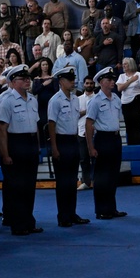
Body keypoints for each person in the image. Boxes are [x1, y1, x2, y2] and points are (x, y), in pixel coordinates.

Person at [0, 64, 43, 235]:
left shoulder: (32, 99)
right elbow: (1, 129)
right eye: (23, 79)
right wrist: (5, 154)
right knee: (17, 187)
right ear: (13, 82)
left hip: (30, 143)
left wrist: (38, 146)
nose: (27, 81)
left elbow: (36, 125)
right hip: (16, 143)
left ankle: (29, 221)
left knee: (29, 186)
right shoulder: (7, 100)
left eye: (28, 78)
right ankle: (18, 224)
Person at [47, 67, 90, 228]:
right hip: (61, 140)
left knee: (72, 180)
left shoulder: (75, 99)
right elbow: (51, 124)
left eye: (73, 79)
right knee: (63, 181)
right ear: (61, 81)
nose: (73, 82)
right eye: (69, 79)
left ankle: (72, 213)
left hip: (73, 139)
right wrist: (54, 147)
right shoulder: (55, 100)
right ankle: (63, 216)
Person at [86, 66, 127, 220]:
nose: (112, 82)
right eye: (109, 80)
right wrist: (91, 147)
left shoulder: (116, 99)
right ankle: (101, 209)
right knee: (101, 176)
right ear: (101, 82)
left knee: (113, 175)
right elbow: (89, 124)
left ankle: (111, 207)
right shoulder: (95, 101)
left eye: (113, 79)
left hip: (115, 138)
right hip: (102, 138)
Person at [116, 58, 140, 146]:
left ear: (131, 64)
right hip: (125, 103)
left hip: (137, 100)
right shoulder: (122, 76)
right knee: (128, 124)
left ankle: (139, 144)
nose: (124, 65)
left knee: (137, 124)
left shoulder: (139, 75)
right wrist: (130, 80)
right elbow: (119, 88)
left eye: (126, 64)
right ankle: (130, 144)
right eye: (123, 64)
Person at [76, 76, 96, 191]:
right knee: (83, 158)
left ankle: (96, 180)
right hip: (81, 132)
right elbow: (75, 115)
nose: (89, 85)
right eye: (87, 83)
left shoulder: (98, 98)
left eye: (91, 83)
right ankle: (86, 182)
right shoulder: (77, 99)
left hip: (95, 132)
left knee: (95, 158)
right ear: (83, 84)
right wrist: (87, 111)